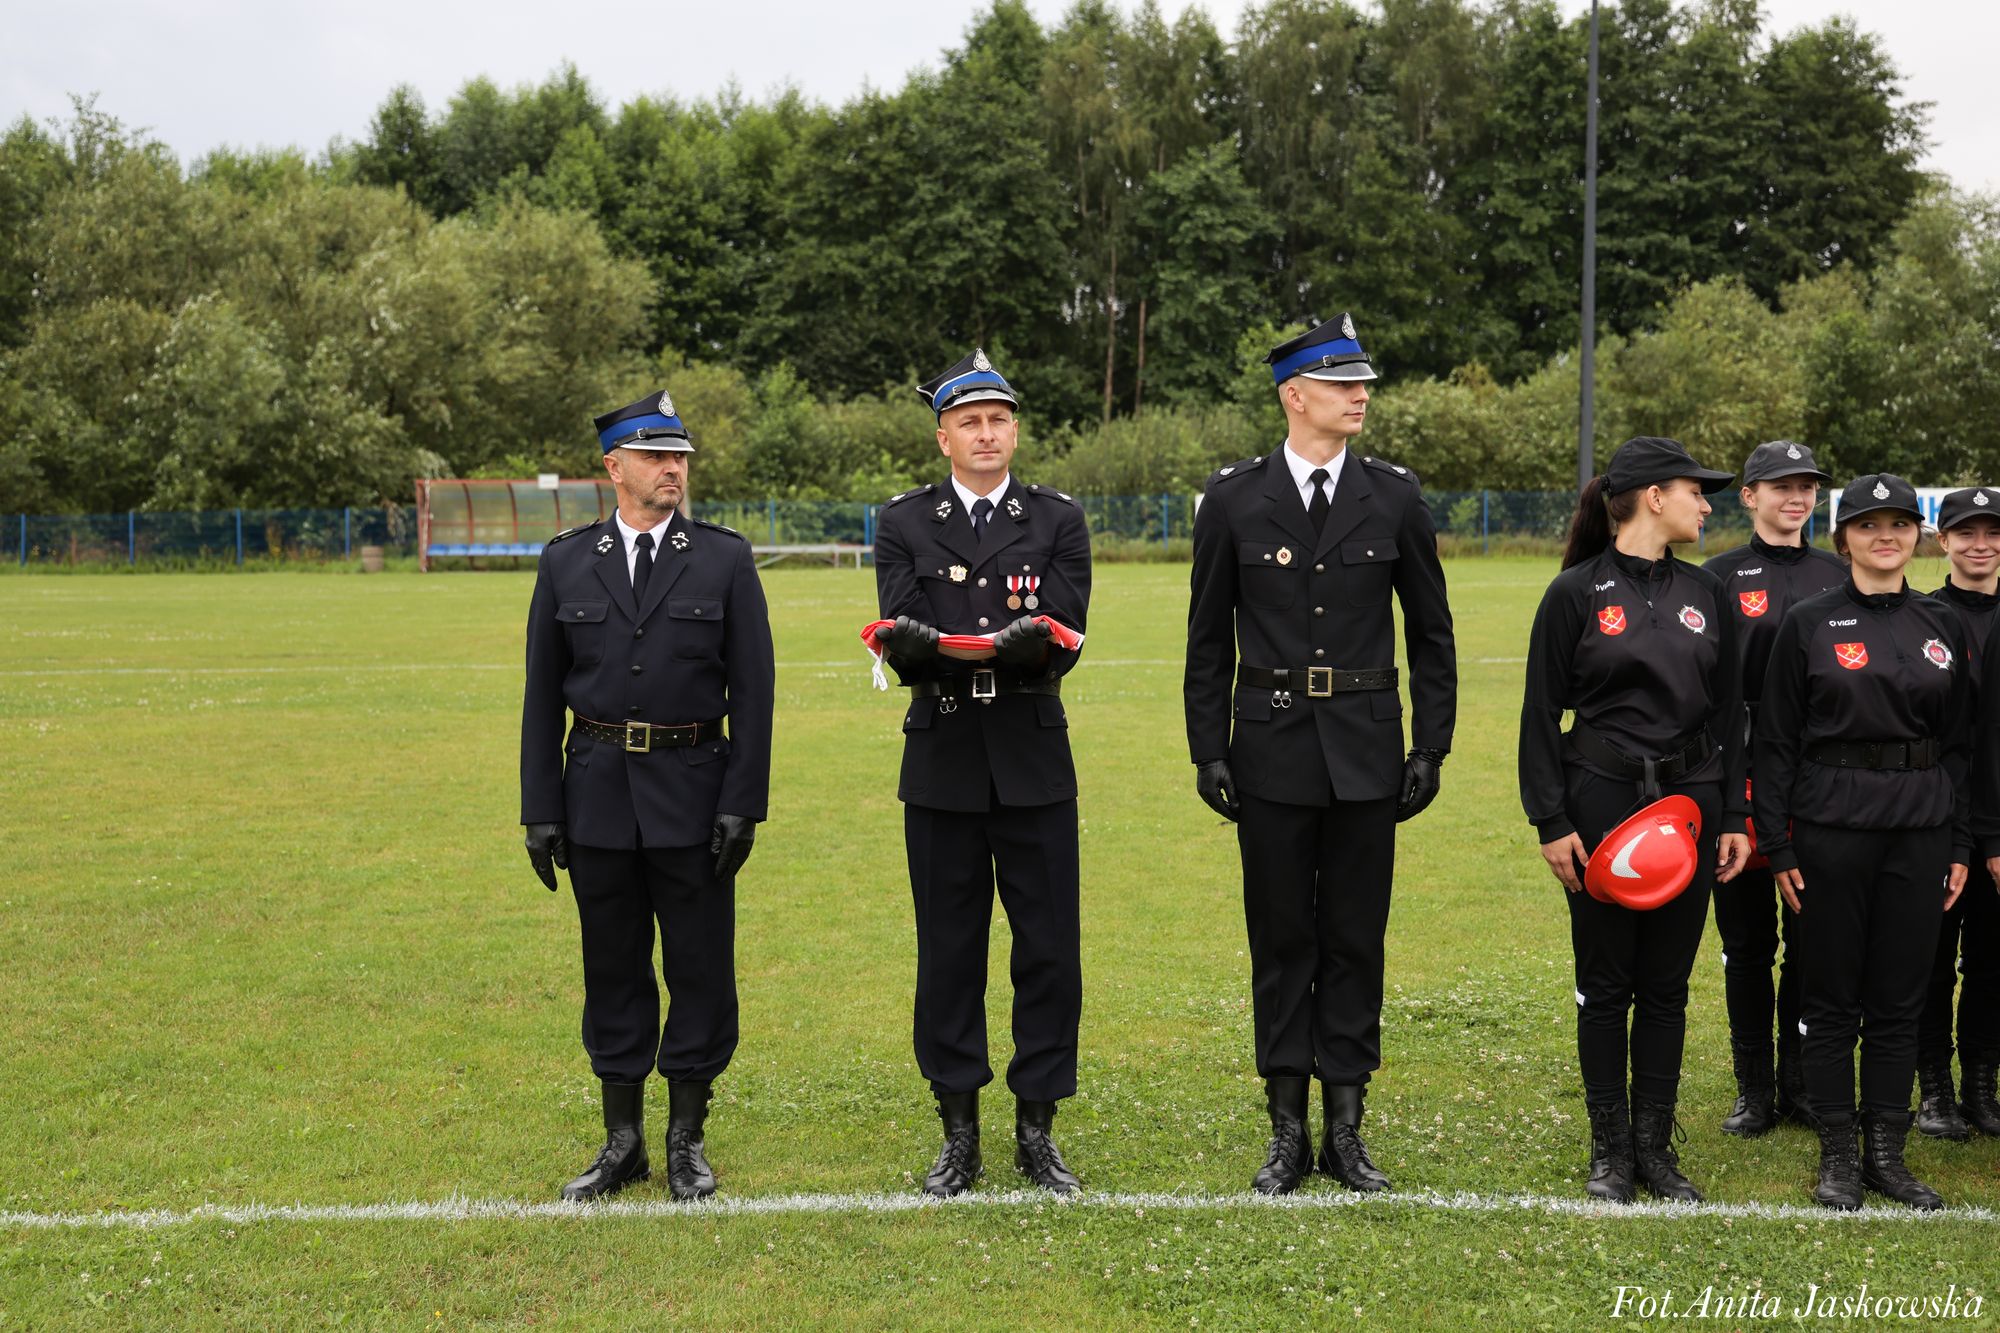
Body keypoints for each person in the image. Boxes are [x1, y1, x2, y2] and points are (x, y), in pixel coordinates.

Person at [1184, 314, 1457, 1196]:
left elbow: (1432, 633)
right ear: (1294, 394)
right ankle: (1285, 1131)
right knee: (1280, 940)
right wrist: (1207, 748)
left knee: (1353, 939)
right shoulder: (1232, 500)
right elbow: (1206, 639)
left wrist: (1432, 745)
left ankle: (1347, 1131)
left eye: (1363, 382)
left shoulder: (1395, 497)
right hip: (1267, 750)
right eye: (1343, 384)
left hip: (1368, 753)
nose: (1361, 395)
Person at [519, 389, 775, 1202]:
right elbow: (539, 696)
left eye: (682, 458)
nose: (674, 470)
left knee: (700, 971)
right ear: (614, 467)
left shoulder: (724, 559)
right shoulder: (565, 561)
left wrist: (745, 801)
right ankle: (623, 1139)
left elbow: (755, 693)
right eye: (658, 457)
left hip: (694, 796)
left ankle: (686, 1138)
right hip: (595, 796)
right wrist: (541, 807)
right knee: (613, 970)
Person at [872, 349, 1093, 1197]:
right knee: (949, 952)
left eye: (999, 419)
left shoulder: (1058, 519)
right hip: (944, 758)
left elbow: (1064, 636)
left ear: (1015, 431)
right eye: (970, 420)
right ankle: (957, 1129)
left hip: (1034, 758)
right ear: (943, 437)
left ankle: (1037, 1127)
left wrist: (1002, 644)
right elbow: (904, 631)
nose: (987, 433)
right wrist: (940, 646)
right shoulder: (903, 522)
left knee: (1050, 954)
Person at [1518, 436, 1749, 1204]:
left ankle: (1655, 1146)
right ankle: (1610, 1149)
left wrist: (1734, 813)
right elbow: (1539, 715)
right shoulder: (1575, 594)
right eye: (1696, 490)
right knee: (1605, 981)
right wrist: (1551, 819)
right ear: (1654, 496)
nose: (1706, 505)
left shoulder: (1707, 592)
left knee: (1668, 986)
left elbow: (1729, 715)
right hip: (1602, 804)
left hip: (1691, 806)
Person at [1753, 473, 1972, 1211]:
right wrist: (1779, 847)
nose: (1887, 536)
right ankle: (1840, 1155)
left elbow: (1960, 745)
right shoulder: (1809, 622)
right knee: (1832, 996)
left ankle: (1888, 1153)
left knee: (1899, 998)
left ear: (1920, 535)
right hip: (1831, 829)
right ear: (1843, 536)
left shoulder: (1941, 625)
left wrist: (1960, 842)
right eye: (1870, 524)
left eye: (1901, 524)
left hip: (1920, 829)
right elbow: (1777, 743)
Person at [1699, 441, 1844, 1136]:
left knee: (1813, 935)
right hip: (1743, 776)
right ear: (1749, 496)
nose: (1796, 497)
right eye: (1780, 485)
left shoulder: (1839, 571)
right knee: (1748, 941)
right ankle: (1754, 1085)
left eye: (1807, 486)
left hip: (1820, 776)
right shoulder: (1719, 576)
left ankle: (1802, 1080)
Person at [1916, 487, 2000, 1140]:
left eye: (1992, 532)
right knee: (1933, 958)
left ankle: (1981, 1083)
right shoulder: (1922, 617)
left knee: (1992, 958)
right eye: (1965, 532)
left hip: (1997, 814)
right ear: (1941, 541)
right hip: (1937, 816)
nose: (1981, 544)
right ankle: (1934, 1088)